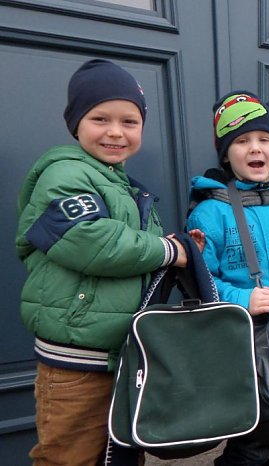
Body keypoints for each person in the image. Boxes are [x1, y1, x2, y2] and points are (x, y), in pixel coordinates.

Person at [15, 58, 194, 465]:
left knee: (121, 458)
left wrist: (171, 246)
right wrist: (167, 250)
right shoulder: (63, 174)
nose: (115, 132)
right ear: (75, 123)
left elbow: (131, 251)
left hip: (123, 357)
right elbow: (87, 239)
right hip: (75, 365)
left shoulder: (121, 184)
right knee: (69, 457)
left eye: (129, 122)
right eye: (100, 118)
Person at [186, 90, 269, 465]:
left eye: (264, 139)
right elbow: (199, 283)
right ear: (225, 153)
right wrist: (242, 300)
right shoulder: (210, 212)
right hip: (246, 347)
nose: (256, 149)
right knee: (255, 445)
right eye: (242, 141)